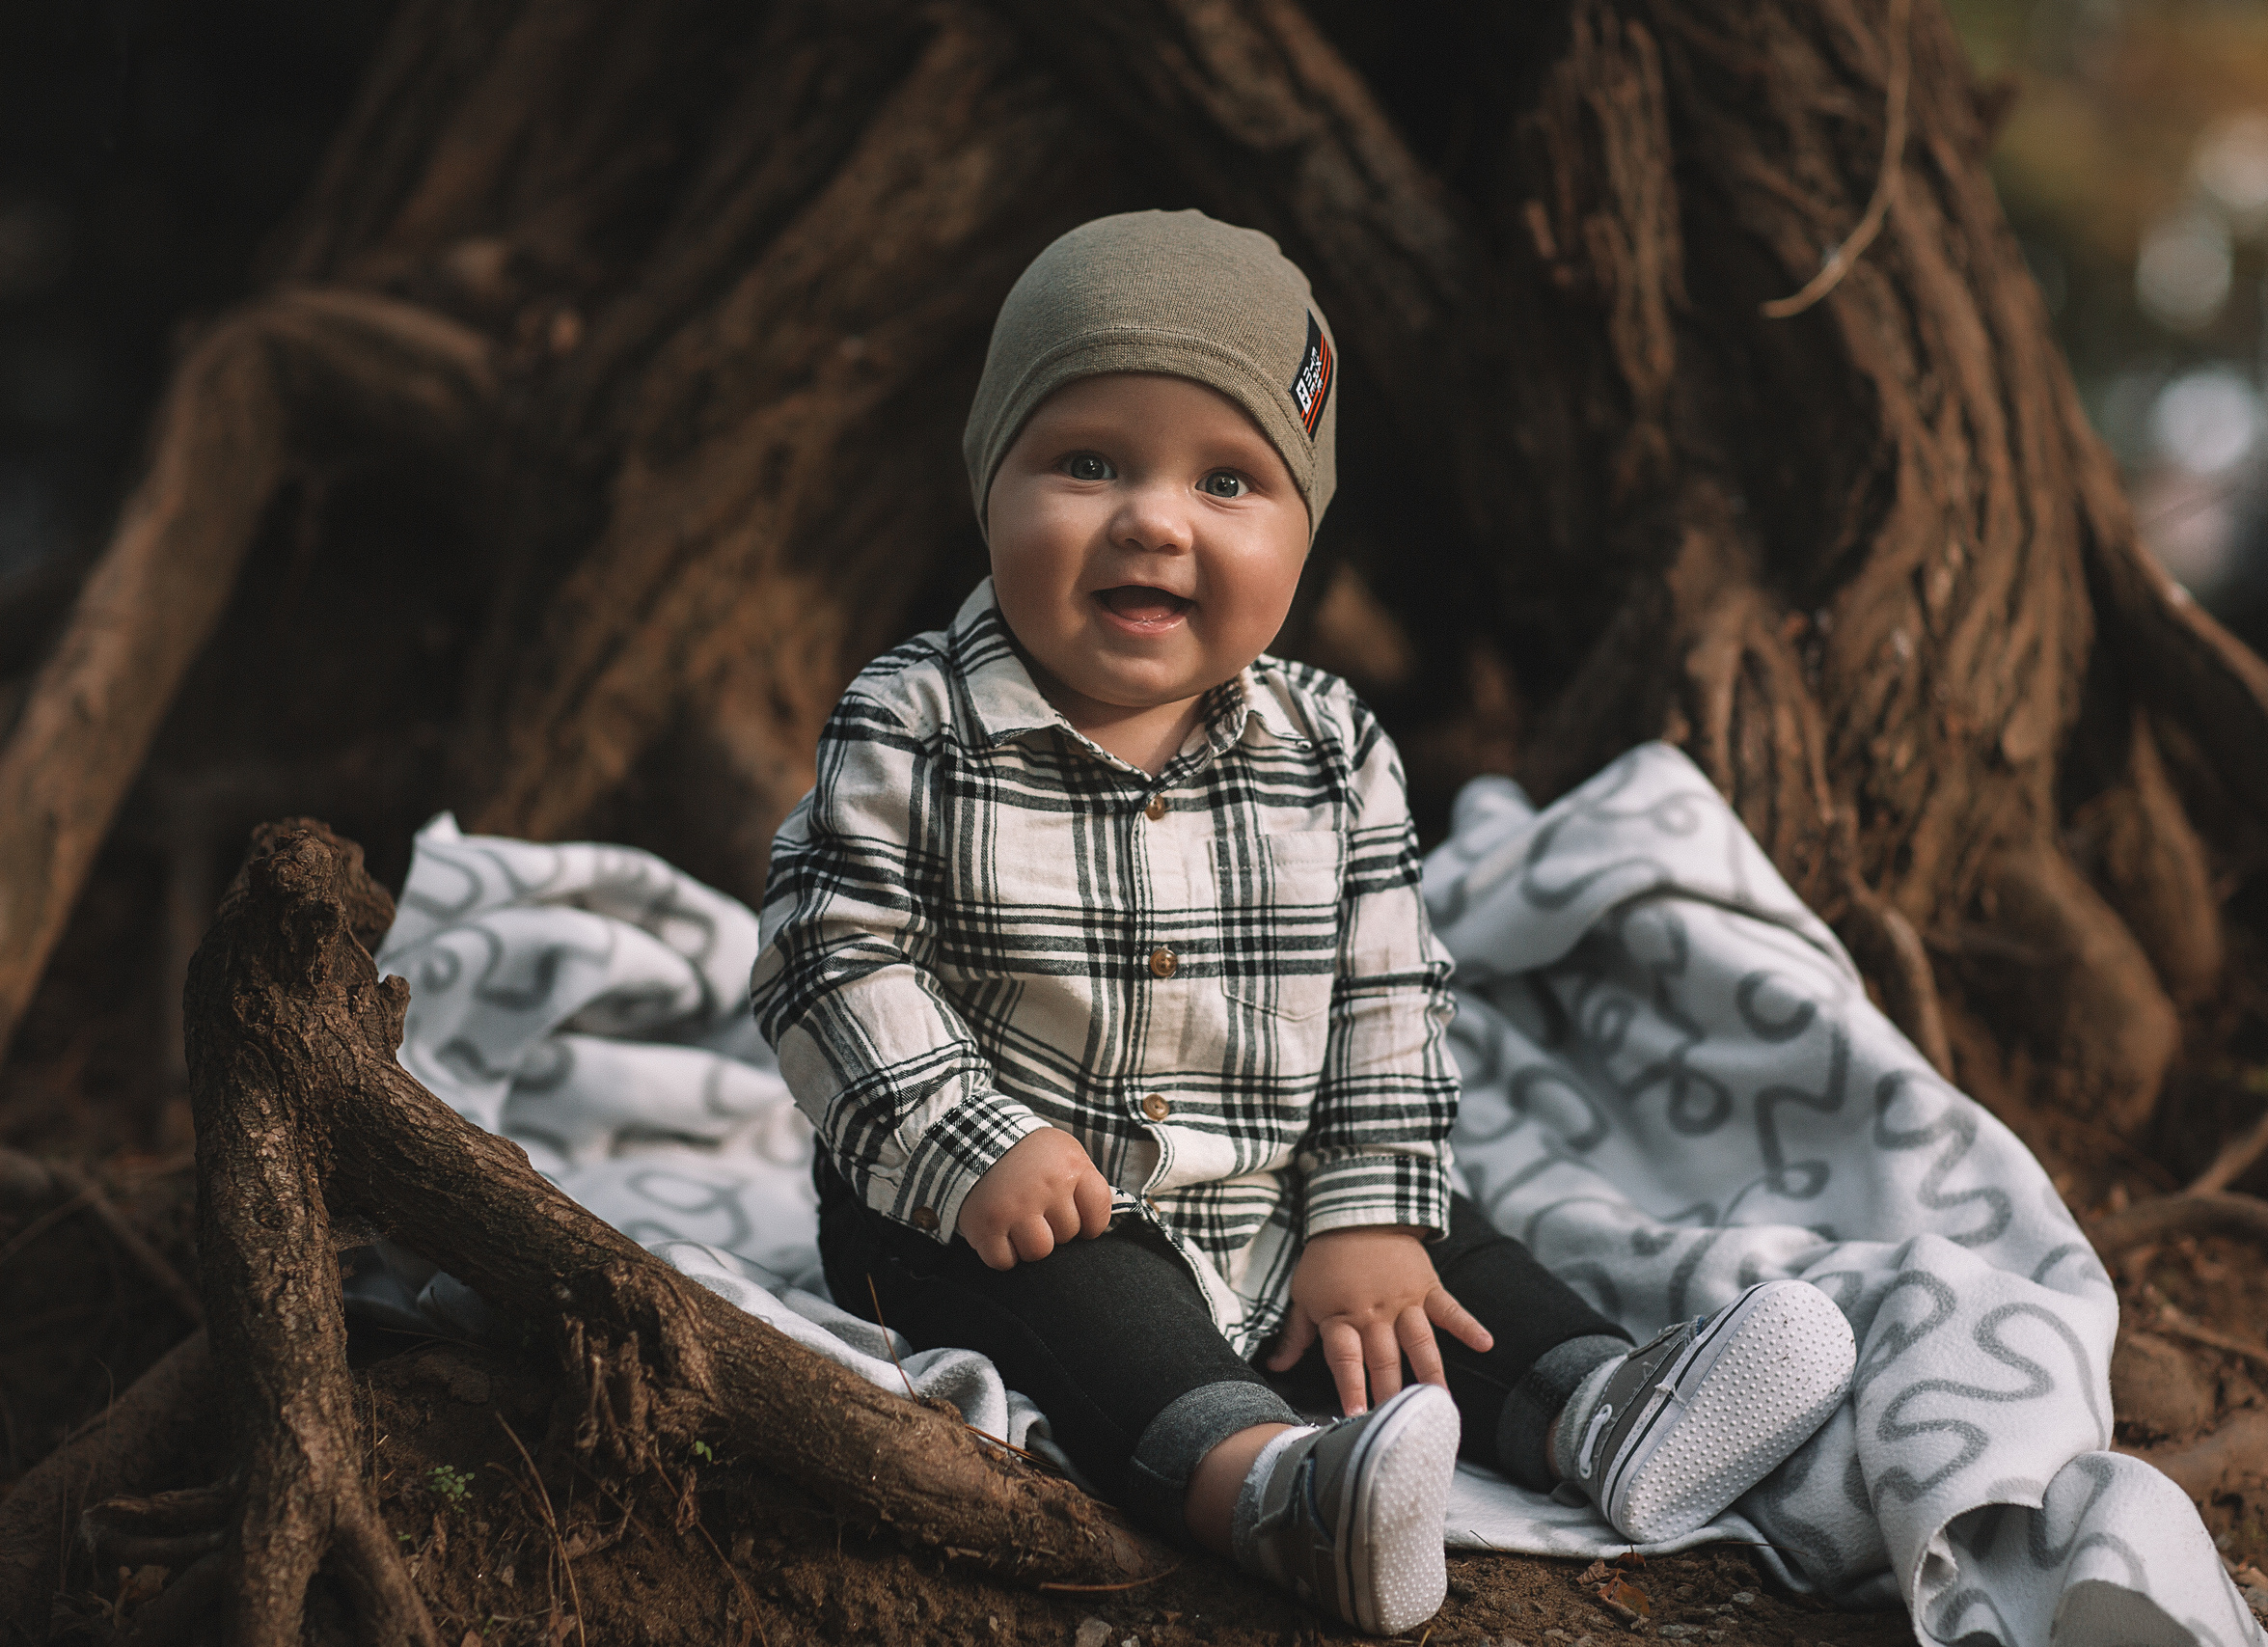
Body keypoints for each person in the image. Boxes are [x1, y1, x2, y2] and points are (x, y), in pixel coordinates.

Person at [751, 210, 1857, 1636]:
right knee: (1097, 1309)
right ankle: (1276, 1495)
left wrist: (1366, 1210)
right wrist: (976, 1140)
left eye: (1228, 480)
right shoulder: (914, 717)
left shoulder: (1333, 746)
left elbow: (1388, 1002)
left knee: (1442, 1264)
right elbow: (825, 953)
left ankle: (1602, 1403)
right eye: (1087, 462)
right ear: (991, 484)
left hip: (1270, 1189)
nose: (1154, 518)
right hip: (982, 1206)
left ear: (1301, 534)